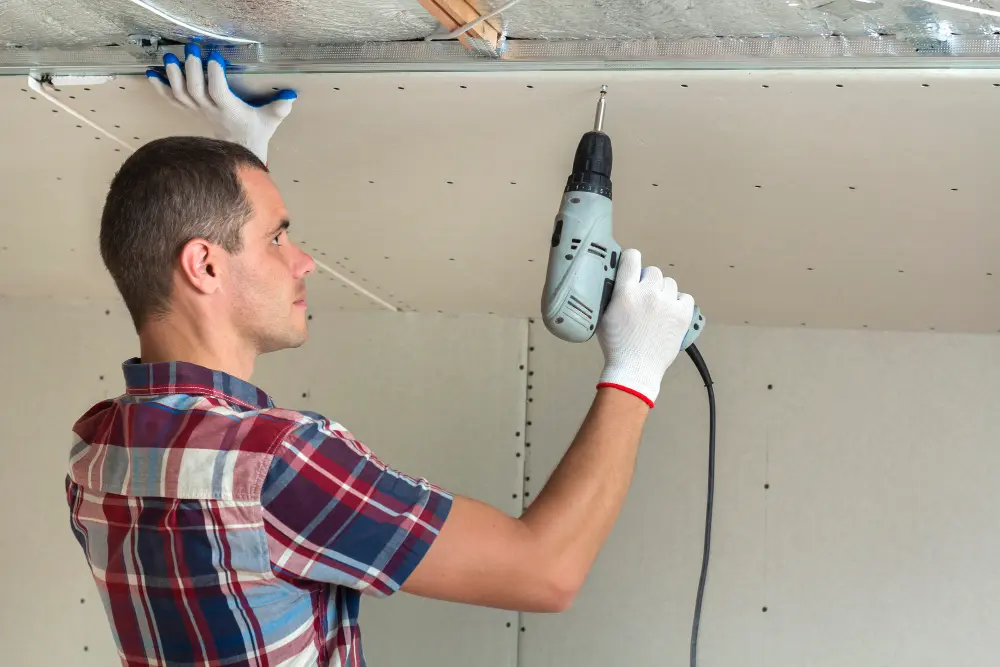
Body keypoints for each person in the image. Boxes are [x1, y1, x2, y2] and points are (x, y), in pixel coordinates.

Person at [66, 45, 696, 667]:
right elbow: (545, 570)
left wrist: (237, 167)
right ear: (204, 264)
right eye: (278, 238)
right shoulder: (278, 464)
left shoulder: (97, 451)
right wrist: (636, 368)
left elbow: (214, 433)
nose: (303, 260)